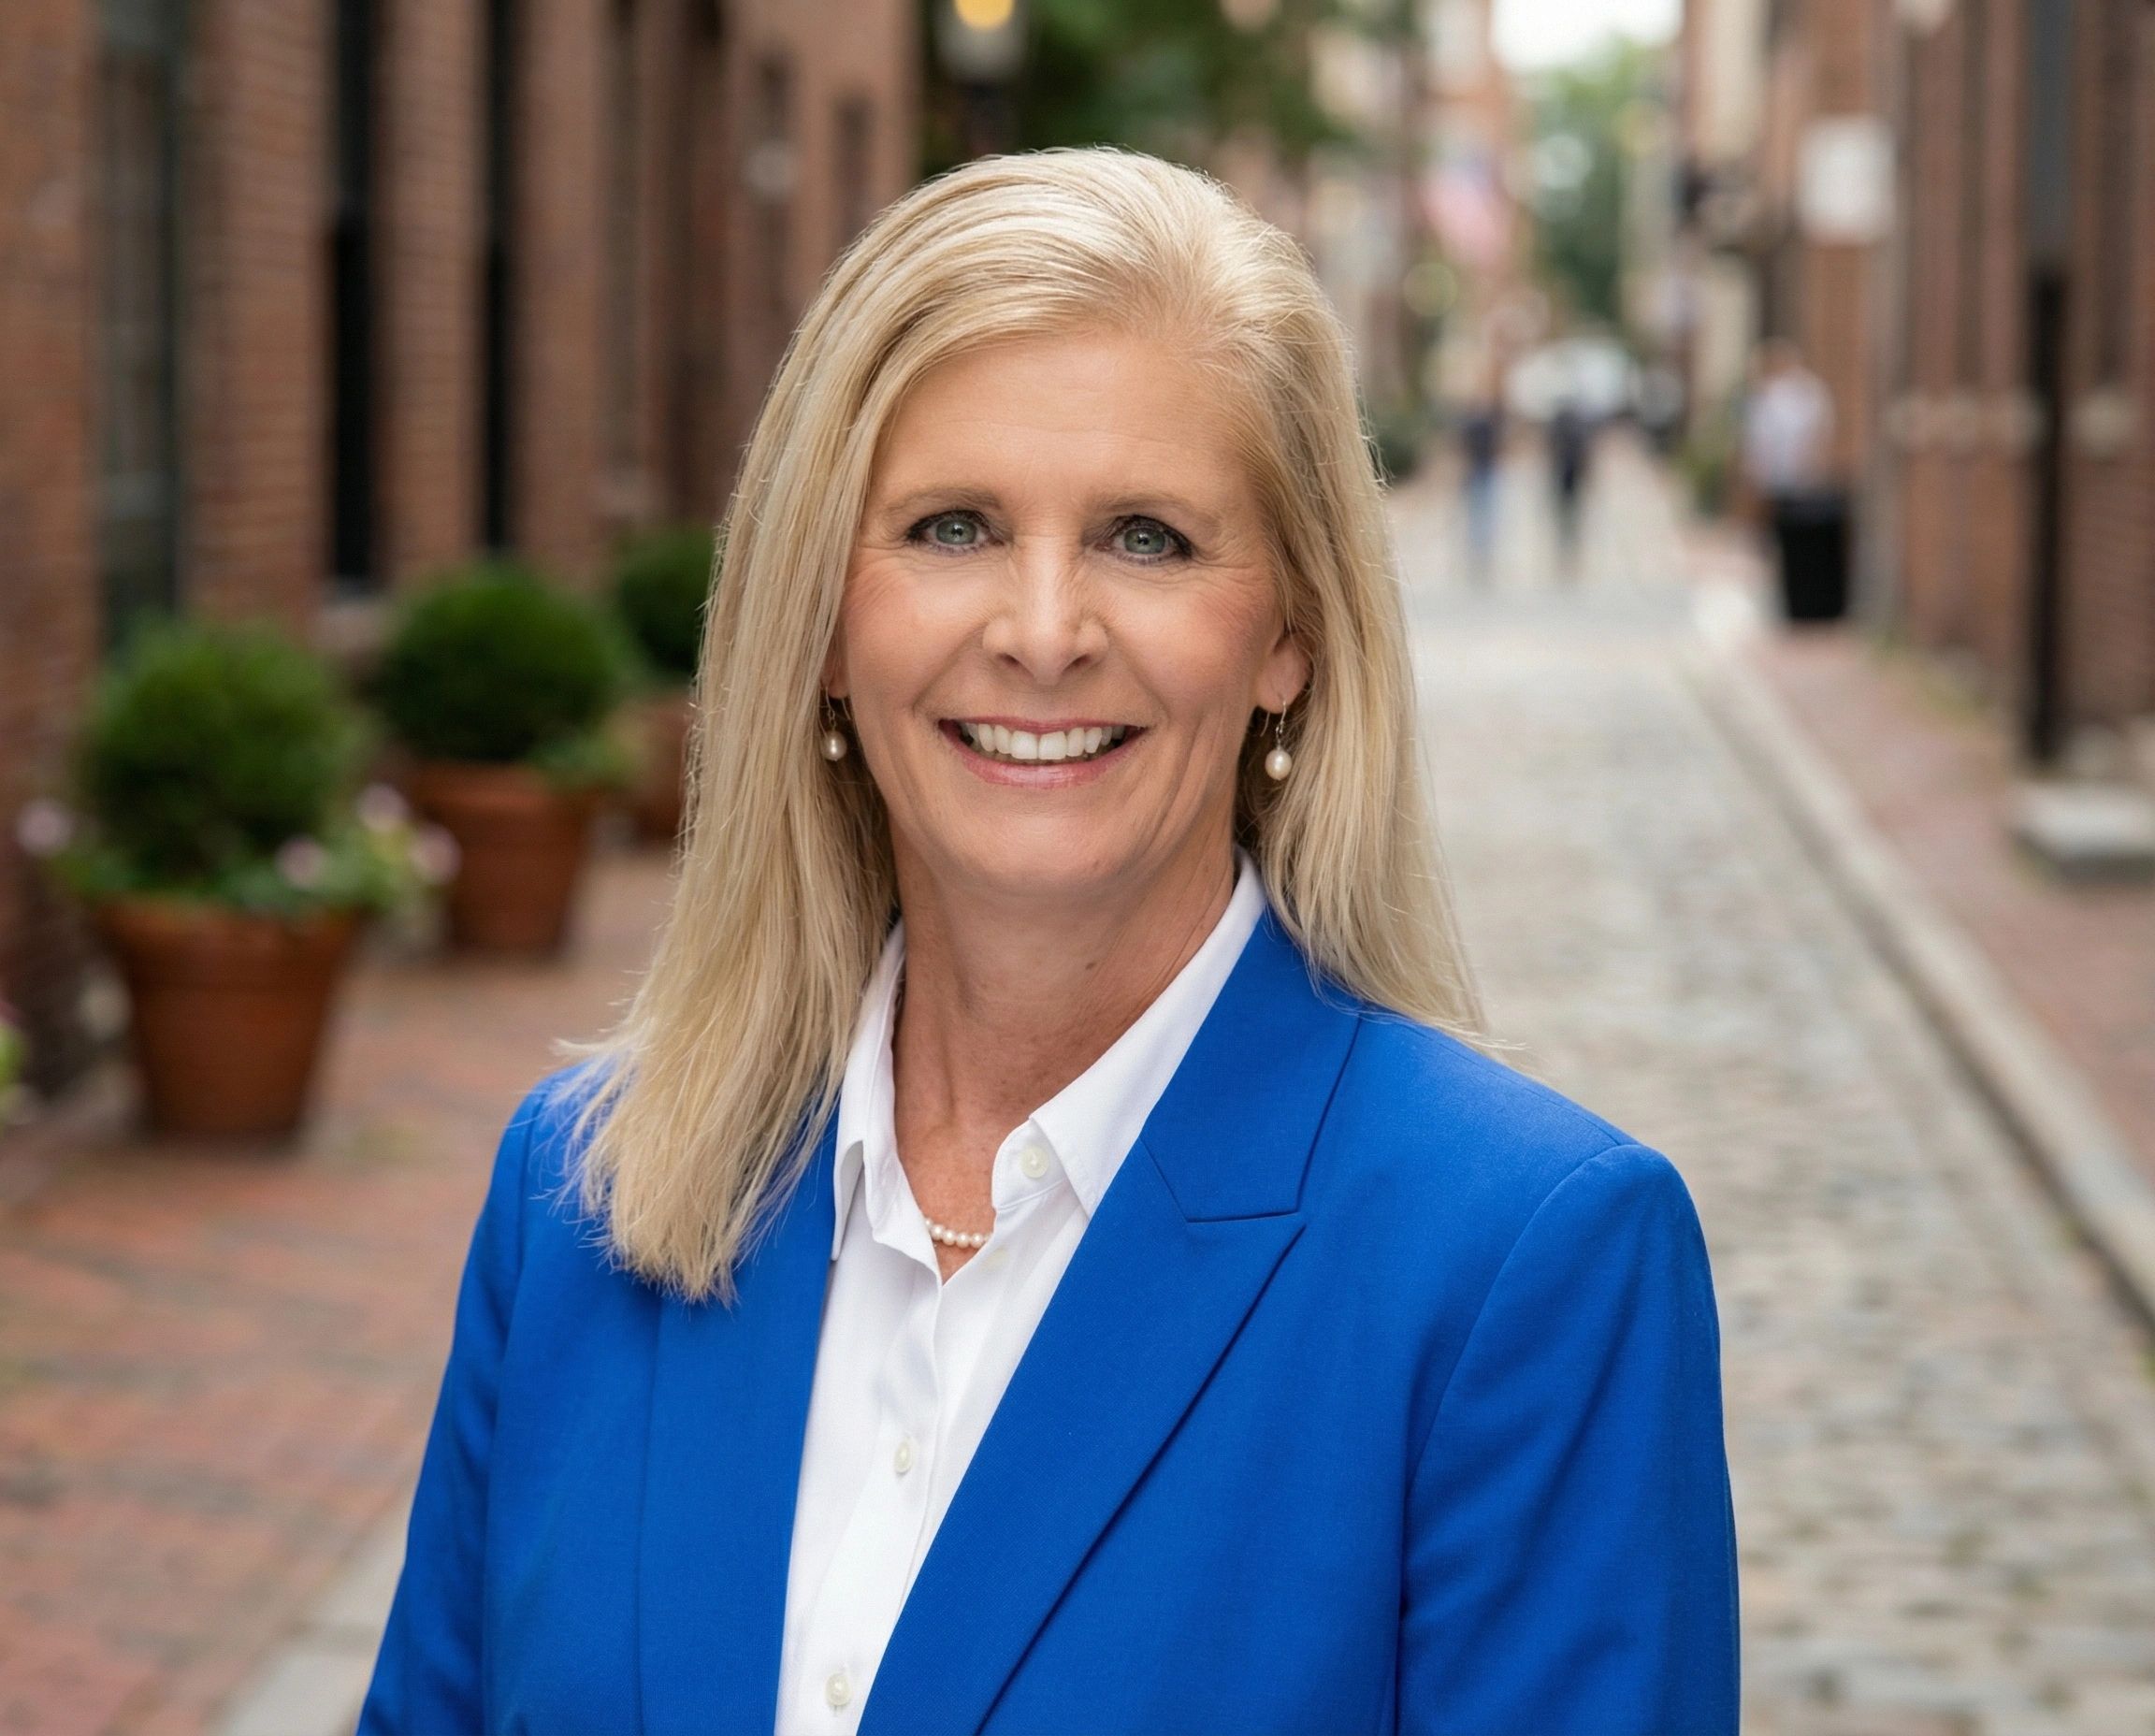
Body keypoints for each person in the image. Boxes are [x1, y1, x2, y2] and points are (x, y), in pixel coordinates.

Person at [358, 149, 1738, 1736]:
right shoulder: (581, 1201)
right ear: (821, 615)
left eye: (1143, 537)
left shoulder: (1519, 1267)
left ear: (1287, 632)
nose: (1038, 628)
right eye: (950, 526)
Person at [1741, 340, 1848, 620]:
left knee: (1795, 545)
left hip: (1796, 482)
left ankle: (1800, 600)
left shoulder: (1803, 394)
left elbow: (1817, 437)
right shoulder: (1774, 395)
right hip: (1782, 482)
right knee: (1783, 543)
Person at [1457, 389, 1505, 582]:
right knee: (1479, 514)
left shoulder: (1482, 423)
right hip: (1479, 470)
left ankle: (1481, 552)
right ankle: (1479, 552)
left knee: (1482, 514)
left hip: (1484, 470)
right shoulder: (1477, 424)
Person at [1547, 395, 1594, 575]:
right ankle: (1569, 545)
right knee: (1570, 513)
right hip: (1569, 475)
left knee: (1565, 513)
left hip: (1564, 475)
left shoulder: (1561, 430)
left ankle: (1567, 545)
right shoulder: (1577, 430)